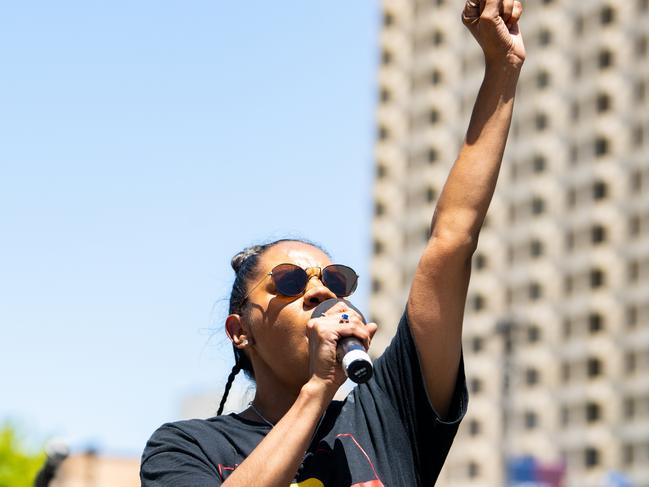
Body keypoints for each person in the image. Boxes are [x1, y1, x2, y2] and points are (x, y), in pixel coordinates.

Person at [140, 0, 526, 485]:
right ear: (240, 330)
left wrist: (503, 66)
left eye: (335, 280)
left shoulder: (389, 413)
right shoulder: (187, 446)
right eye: (289, 281)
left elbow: (453, 239)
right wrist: (319, 389)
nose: (321, 292)